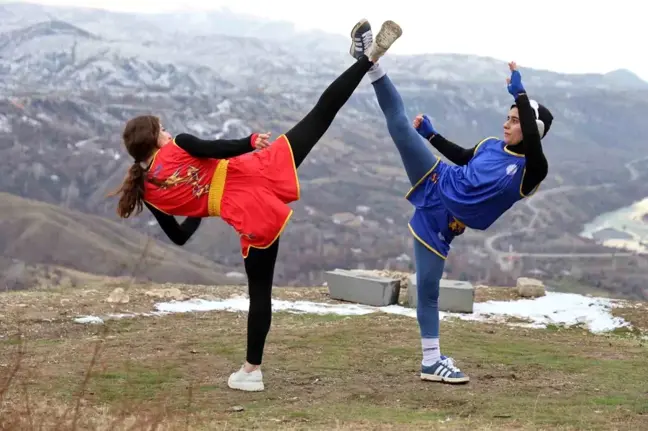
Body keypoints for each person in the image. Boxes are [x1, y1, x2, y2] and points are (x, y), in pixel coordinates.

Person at [109, 19, 403, 392]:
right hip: (259, 169)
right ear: (154, 139)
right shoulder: (178, 145)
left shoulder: (149, 194)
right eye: (162, 129)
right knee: (320, 115)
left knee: (260, 293)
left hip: (248, 215)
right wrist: (249, 141)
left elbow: (181, 236)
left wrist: (202, 205)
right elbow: (213, 147)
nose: (168, 131)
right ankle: (367, 59)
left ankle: (252, 371)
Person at [352, 22, 553, 384]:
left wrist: (522, 96)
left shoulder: (531, 172)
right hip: (435, 180)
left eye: (515, 120)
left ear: (532, 130)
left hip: (441, 225)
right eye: (507, 117)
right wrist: (431, 135)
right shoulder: (492, 144)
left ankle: (431, 361)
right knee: (399, 126)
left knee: (427, 292)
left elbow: (534, 149)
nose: (507, 124)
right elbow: (462, 157)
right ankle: (372, 60)